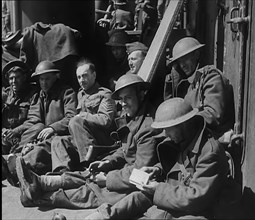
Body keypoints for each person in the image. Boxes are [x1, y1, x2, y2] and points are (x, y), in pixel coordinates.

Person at [16, 73, 164, 210]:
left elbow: (140, 171)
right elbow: (125, 150)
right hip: (125, 171)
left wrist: (107, 179)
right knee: (88, 174)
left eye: (128, 98)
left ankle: (38, 197)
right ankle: (41, 182)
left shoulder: (147, 128)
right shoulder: (134, 118)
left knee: (91, 191)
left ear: (141, 95)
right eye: (121, 99)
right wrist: (107, 162)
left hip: (137, 183)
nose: (123, 104)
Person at [85, 97, 242, 220]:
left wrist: (158, 189)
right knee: (139, 196)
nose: (166, 134)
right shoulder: (187, 139)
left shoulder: (210, 153)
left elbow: (196, 198)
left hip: (201, 210)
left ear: (183, 125)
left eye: (168, 129)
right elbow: (180, 165)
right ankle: (104, 216)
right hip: (179, 195)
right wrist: (158, 169)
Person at [4, 60, 77, 185]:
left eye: (47, 79)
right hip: (42, 137)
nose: (44, 83)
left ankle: (17, 168)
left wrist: (53, 128)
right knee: (38, 129)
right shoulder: (39, 96)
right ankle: (17, 158)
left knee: (39, 153)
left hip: (61, 138)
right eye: (41, 79)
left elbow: (72, 117)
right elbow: (34, 119)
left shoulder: (67, 92)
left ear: (56, 76)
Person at [50, 58, 117, 172]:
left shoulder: (105, 94)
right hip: (84, 141)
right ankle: (62, 172)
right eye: (79, 77)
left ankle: (89, 165)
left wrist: (82, 116)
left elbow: (105, 120)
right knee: (58, 140)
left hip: (102, 141)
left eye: (85, 76)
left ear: (94, 75)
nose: (81, 80)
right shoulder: (80, 95)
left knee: (75, 121)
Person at [164, 37, 235, 139]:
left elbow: (213, 115)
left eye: (185, 59)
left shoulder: (210, 76)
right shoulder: (190, 84)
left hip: (213, 139)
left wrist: (183, 122)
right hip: (196, 136)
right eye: (179, 61)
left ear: (196, 55)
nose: (182, 65)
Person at [2, 60, 38, 155]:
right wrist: (3, 130)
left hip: (23, 135)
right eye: (11, 78)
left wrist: (16, 131)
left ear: (24, 77)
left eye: (17, 77)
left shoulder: (33, 94)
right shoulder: (5, 94)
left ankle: (17, 153)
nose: (14, 82)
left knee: (38, 127)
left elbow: (34, 119)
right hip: (6, 136)